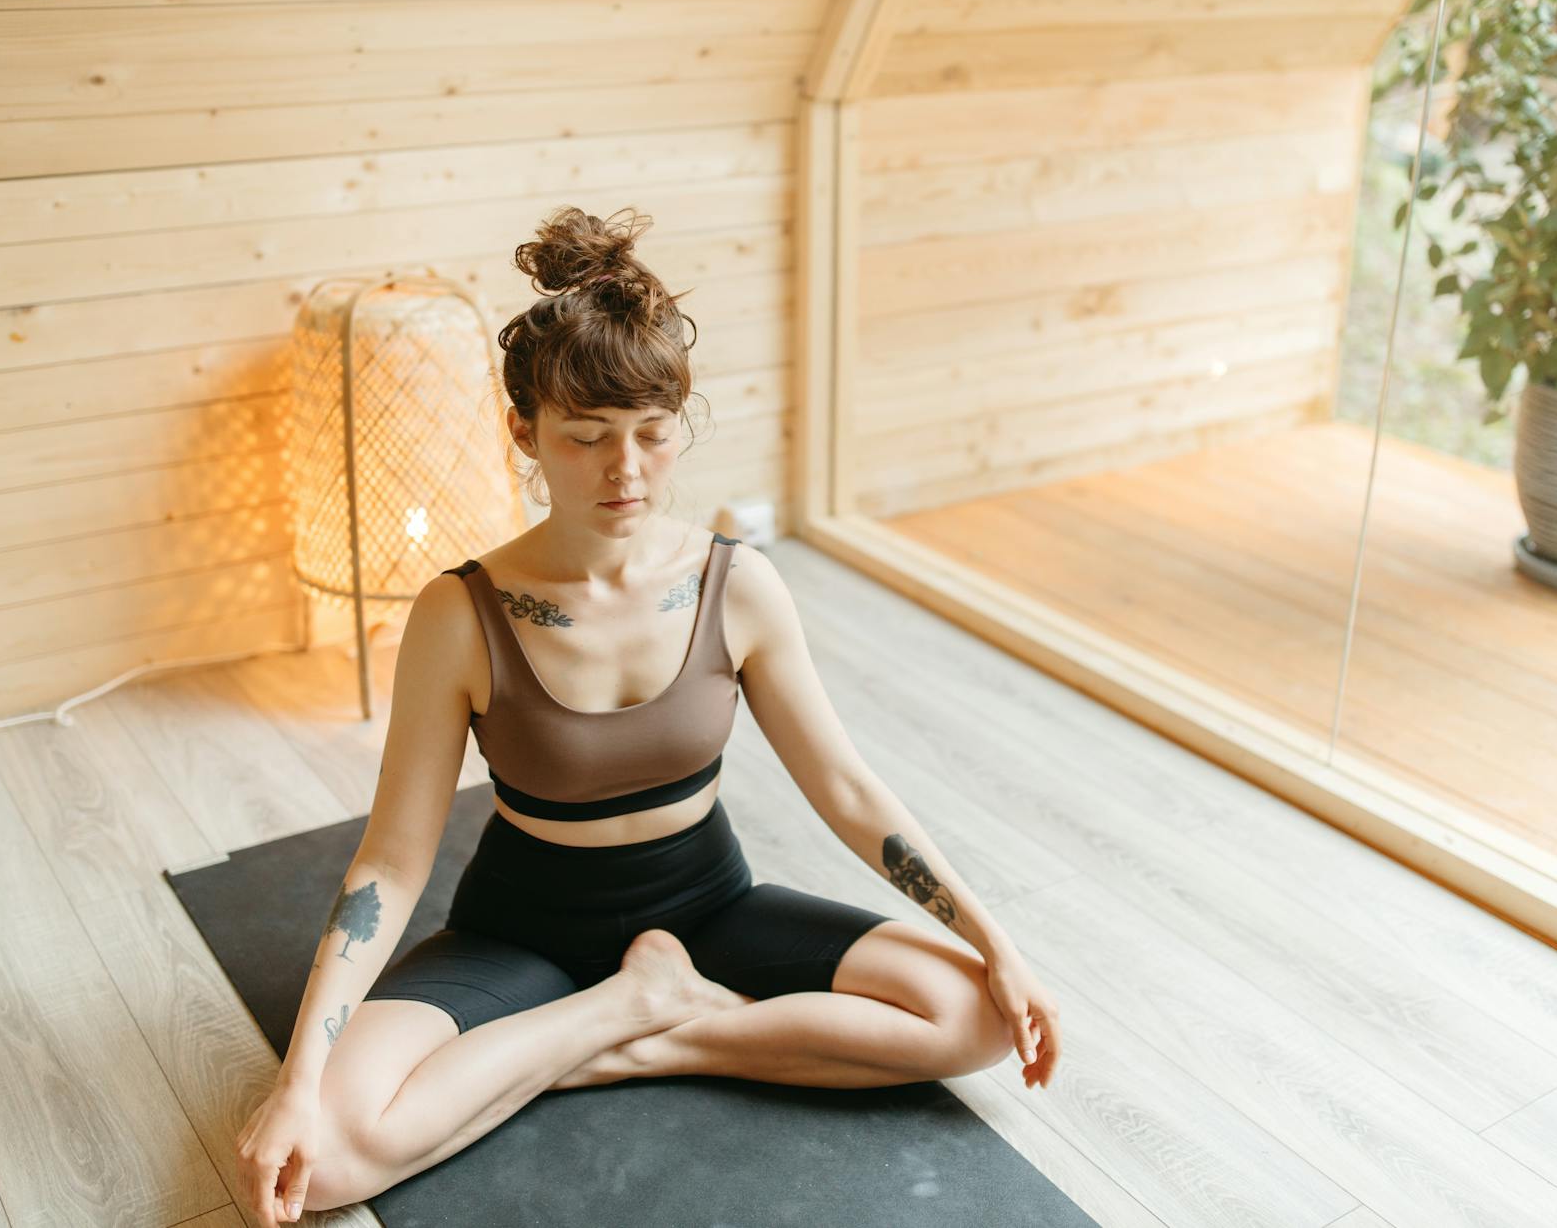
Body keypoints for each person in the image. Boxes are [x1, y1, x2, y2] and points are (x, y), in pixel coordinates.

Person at [235, 205, 1063, 1224]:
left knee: (977, 1013)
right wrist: (297, 1082)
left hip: (709, 907)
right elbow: (391, 862)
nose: (623, 471)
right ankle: (619, 1010)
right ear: (524, 431)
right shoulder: (460, 611)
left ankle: (655, 1032)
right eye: (585, 438)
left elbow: (845, 786)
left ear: (680, 426)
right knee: (322, 1159)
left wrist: (997, 939)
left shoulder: (738, 585)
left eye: (650, 435)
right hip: (523, 928)